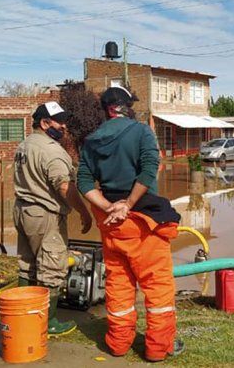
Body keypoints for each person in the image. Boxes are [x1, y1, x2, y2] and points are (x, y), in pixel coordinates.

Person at [77, 87, 184, 362]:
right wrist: (127, 205)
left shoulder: (91, 141)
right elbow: (149, 170)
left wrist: (108, 207)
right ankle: (158, 348)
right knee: (157, 287)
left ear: (107, 110)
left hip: (112, 225)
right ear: (125, 107)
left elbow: (85, 183)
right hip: (142, 223)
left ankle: (119, 344)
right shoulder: (141, 132)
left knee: (119, 285)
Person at [13, 101, 93, 336]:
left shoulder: (24, 145)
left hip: (22, 210)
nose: (64, 126)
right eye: (60, 121)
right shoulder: (52, 150)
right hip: (45, 215)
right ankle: (47, 323)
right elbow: (64, 187)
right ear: (45, 123)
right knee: (51, 267)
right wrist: (84, 212)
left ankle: (23, 314)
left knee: (27, 265)